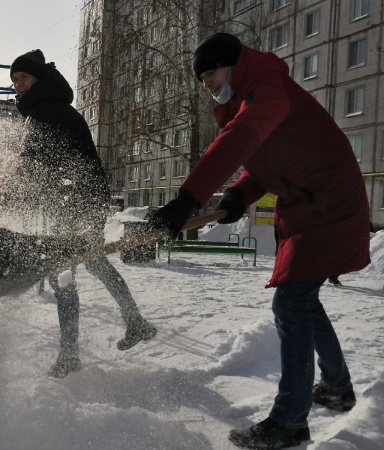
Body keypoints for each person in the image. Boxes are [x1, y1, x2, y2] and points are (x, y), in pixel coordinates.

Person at [148, 33, 370, 449]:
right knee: (303, 300)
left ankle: (290, 422)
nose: (206, 84)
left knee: (292, 302)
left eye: (210, 73)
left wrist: (187, 199)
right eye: (201, 79)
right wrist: (238, 195)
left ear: (232, 64)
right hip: (309, 206)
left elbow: (241, 139)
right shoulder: (250, 98)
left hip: (326, 205)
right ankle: (337, 387)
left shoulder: (266, 87)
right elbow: (269, 159)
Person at [6, 49, 156, 378]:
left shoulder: (46, 112)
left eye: (24, 78)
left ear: (39, 79)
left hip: (76, 200)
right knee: (93, 261)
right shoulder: (49, 108)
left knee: (64, 273)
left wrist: (7, 195)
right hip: (80, 198)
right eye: (15, 79)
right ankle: (136, 322)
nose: (18, 85)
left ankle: (71, 355)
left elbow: (33, 167)